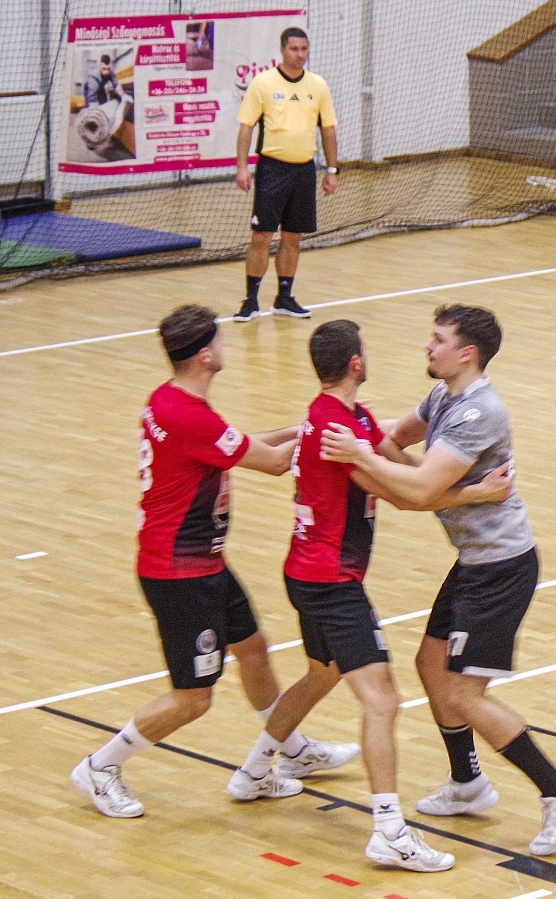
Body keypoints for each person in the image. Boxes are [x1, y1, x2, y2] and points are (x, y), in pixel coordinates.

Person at [319, 305, 556, 859]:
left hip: (501, 568)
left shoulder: (479, 413)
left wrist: (361, 456)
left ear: (467, 353)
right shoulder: (441, 398)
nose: (428, 346)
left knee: (464, 695)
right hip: (474, 562)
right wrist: (352, 440)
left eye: (438, 339)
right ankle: (467, 782)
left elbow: (419, 490)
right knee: (430, 664)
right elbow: (393, 442)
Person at [71, 305, 357, 819]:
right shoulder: (190, 417)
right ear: (205, 355)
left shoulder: (168, 400)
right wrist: (326, 428)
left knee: (253, 649)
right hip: (178, 574)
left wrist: (312, 425)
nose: (225, 347)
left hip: (204, 564)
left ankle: (291, 750)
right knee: (193, 698)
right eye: (220, 342)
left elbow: (244, 445)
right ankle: (101, 766)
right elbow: (274, 462)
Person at [239, 321, 506, 870]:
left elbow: (412, 470)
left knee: (321, 674)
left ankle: (254, 772)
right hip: (329, 581)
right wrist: (477, 493)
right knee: (382, 700)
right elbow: (406, 497)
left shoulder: (345, 418)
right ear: (356, 363)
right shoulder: (337, 430)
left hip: (308, 571)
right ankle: (388, 831)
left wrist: (447, 477)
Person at [233, 28, 339, 321]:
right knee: (262, 236)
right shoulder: (263, 83)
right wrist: (242, 167)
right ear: (282, 50)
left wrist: (332, 170)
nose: (300, 55)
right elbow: (246, 127)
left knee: (293, 237)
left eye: (304, 49)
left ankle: (284, 298)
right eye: (294, 49)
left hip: (304, 171)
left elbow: (328, 129)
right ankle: (250, 301)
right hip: (272, 170)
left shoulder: (318, 85)